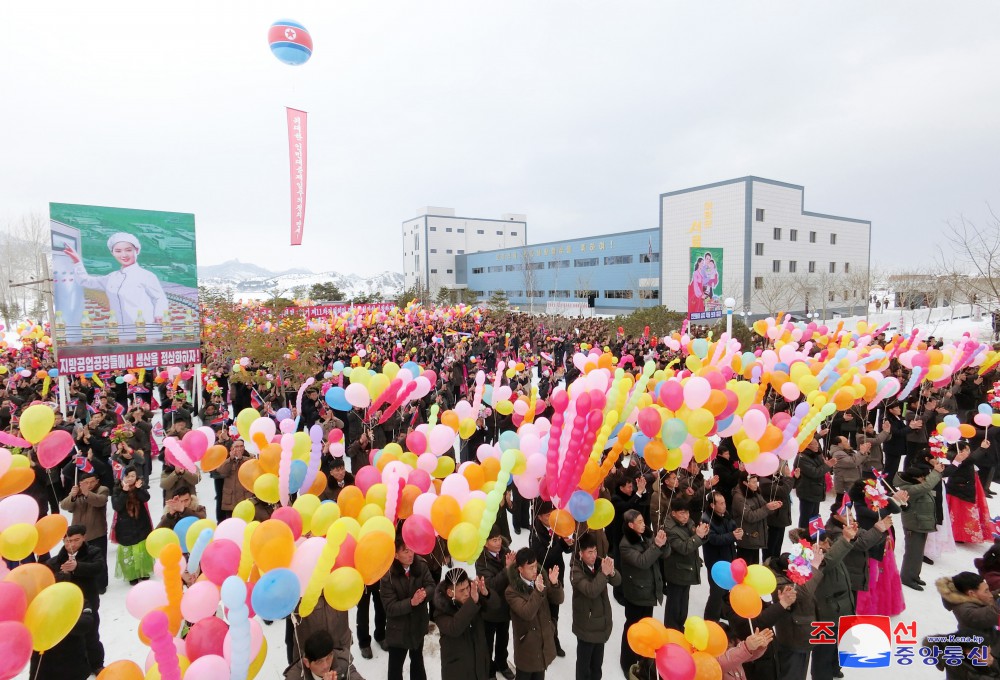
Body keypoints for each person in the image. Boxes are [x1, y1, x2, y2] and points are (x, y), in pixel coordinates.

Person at [63, 232, 169, 342]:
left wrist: (159, 314)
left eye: (128, 250)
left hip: (146, 333)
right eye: (118, 251)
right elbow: (86, 281)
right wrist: (77, 262)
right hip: (120, 334)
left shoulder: (147, 276)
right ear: (112, 253)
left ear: (136, 250)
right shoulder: (112, 277)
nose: (123, 255)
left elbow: (160, 298)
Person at [46, 525, 105, 675]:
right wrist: (63, 573)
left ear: (84, 537)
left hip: (88, 601)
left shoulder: (93, 552)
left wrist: (78, 567)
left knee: (91, 635)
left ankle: (96, 664)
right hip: (66, 605)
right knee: (72, 640)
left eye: (75, 540)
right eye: (67, 541)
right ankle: (79, 667)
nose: (71, 544)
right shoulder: (55, 561)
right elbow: (49, 581)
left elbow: (98, 567)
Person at [618, 509, 668, 675]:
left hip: (650, 590)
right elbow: (642, 562)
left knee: (646, 627)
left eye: (642, 520)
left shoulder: (647, 534)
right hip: (636, 593)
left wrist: (663, 543)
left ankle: (642, 659)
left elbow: (664, 553)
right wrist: (656, 546)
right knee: (632, 628)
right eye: (639, 522)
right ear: (631, 525)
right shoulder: (625, 544)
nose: (643, 524)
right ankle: (627, 662)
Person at [380, 536, 435, 680]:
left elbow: (431, 586)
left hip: (418, 624)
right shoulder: (388, 576)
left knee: (417, 662)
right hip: (398, 630)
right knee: (395, 668)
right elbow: (390, 607)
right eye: (405, 551)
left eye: (411, 550)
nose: (410, 554)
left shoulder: (421, 565)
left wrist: (425, 594)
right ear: (396, 555)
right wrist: (411, 602)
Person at [505, 547, 563, 680]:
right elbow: (527, 613)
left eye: (535, 566)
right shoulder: (511, 591)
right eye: (530, 567)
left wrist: (554, 584)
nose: (534, 570)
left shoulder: (540, 578)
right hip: (527, 648)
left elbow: (558, 599)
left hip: (543, 643)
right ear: (520, 569)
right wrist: (538, 591)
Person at [570, 533, 621, 680]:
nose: (593, 556)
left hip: (601, 623)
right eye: (589, 552)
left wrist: (611, 572)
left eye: (595, 551)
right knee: (583, 667)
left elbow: (617, 581)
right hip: (586, 625)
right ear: (581, 553)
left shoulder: (599, 563)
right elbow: (591, 591)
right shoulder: (575, 570)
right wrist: (604, 574)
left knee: (597, 667)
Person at [433, 568, 491, 680]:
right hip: (458, 670)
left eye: (467, 587)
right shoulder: (441, 612)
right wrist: (471, 603)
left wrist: (486, 594)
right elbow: (455, 628)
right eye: (461, 590)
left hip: (479, 667)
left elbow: (495, 609)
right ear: (450, 593)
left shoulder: (475, 600)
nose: (466, 593)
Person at [895, 459, 944, 590]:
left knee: (918, 553)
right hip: (914, 524)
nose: (924, 479)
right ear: (914, 479)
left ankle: (914, 575)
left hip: (921, 523)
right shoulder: (909, 489)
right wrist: (936, 472)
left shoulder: (915, 485)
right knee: (912, 553)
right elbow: (927, 486)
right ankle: (907, 577)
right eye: (922, 478)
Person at [475, 525, 516, 680]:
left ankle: (502, 663)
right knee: (487, 642)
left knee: (503, 639)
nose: (498, 543)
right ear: (485, 543)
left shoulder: (506, 552)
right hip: (490, 609)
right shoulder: (482, 560)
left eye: (499, 539)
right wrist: (507, 569)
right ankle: (489, 669)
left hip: (505, 606)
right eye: (494, 540)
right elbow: (491, 585)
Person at [661, 496, 708, 629]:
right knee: (674, 605)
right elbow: (683, 548)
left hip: (687, 569)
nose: (686, 516)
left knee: (683, 604)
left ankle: (679, 627)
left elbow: (695, 538)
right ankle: (672, 630)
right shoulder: (669, 528)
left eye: (687, 512)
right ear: (673, 512)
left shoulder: (689, 522)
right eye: (682, 513)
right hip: (676, 571)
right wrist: (698, 537)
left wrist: (703, 534)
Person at [59, 468, 109, 593]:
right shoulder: (77, 493)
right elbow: (64, 506)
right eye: (86, 483)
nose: (89, 485)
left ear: (97, 481)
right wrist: (72, 495)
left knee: (99, 559)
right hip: (79, 535)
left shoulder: (102, 489)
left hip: (97, 532)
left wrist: (87, 493)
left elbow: (100, 501)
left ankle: (101, 585)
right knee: (81, 560)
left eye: (92, 482)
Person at [936, 572, 1000, 655]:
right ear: (971, 593)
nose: (990, 594)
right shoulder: (966, 612)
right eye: (986, 591)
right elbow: (990, 613)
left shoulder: (970, 599)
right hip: (986, 657)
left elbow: (991, 597)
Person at [702, 491, 742, 621]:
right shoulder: (706, 519)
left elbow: (732, 527)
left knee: (726, 590)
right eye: (721, 503)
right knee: (716, 592)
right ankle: (710, 619)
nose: (725, 505)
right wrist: (732, 536)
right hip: (716, 562)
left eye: (724, 502)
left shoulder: (725, 515)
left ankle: (722, 611)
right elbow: (713, 539)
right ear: (712, 505)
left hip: (728, 557)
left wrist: (737, 532)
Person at [110, 464, 154, 584]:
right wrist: (124, 492)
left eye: (133, 476)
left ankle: (144, 571)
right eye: (127, 476)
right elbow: (117, 506)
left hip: (141, 522)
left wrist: (139, 489)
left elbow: (146, 498)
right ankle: (132, 575)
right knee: (128, 551)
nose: (130, 478)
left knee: (142, 549)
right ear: (122, 477)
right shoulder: (117, 489)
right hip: (125, 525)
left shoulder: (138, 486)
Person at [793, 438, 833, 529]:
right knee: (806, 518)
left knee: (814, 517)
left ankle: (812, 536)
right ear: (807, 445)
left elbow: (821, 468)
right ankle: (802, 536)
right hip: (807, 491)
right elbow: (814, 472)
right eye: (815, 444)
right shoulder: (801, 457)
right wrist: (828, 465)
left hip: (816, 490)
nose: (817, 446)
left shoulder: (816, 454)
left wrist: (826, 464)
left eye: (817, 444)